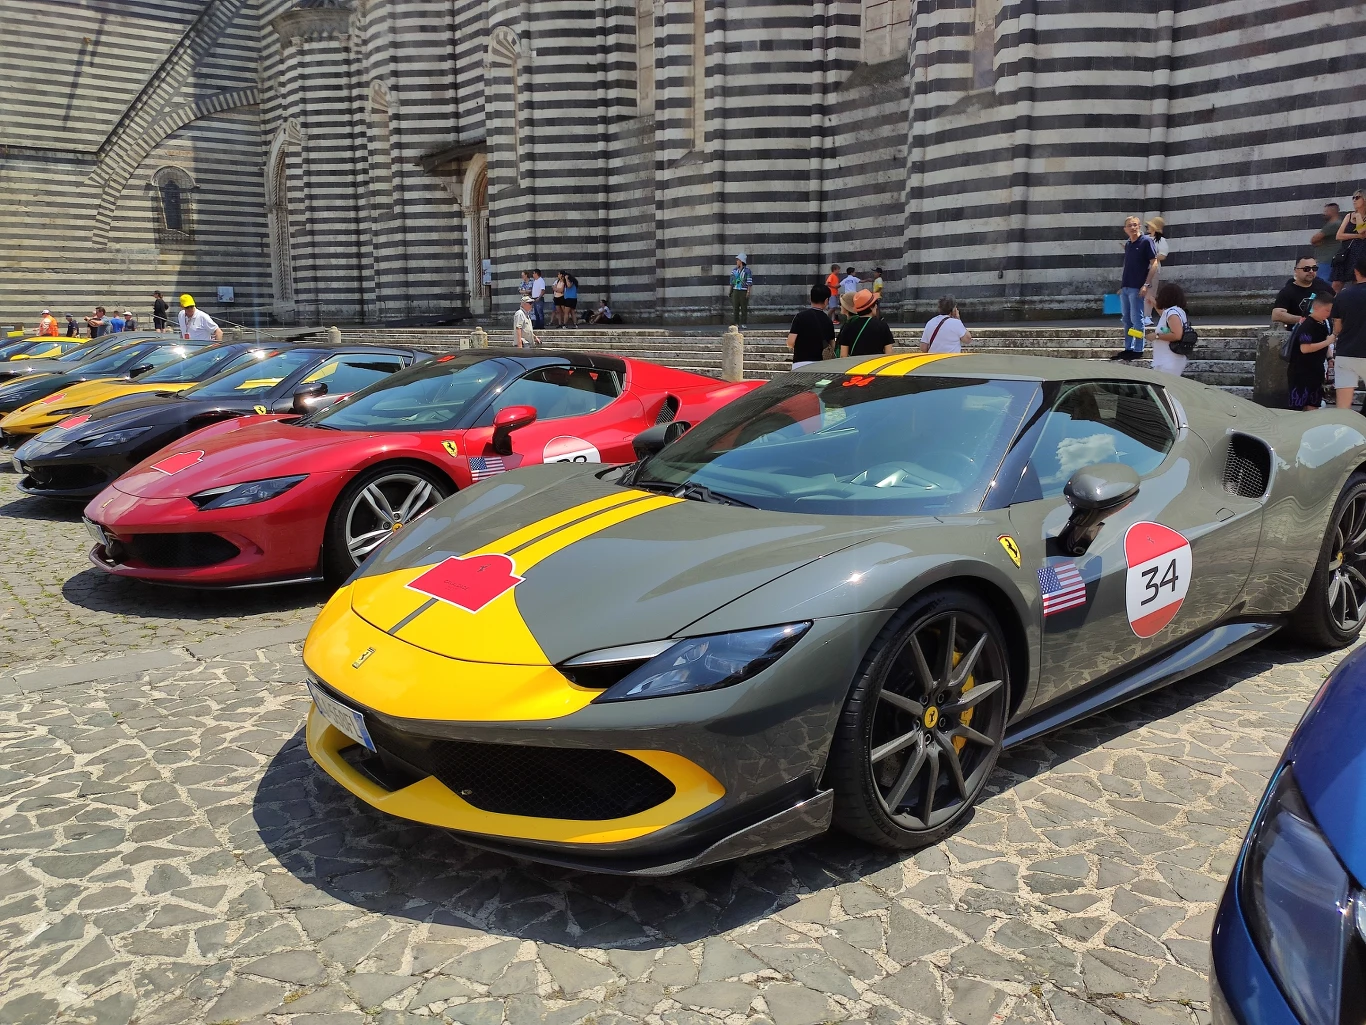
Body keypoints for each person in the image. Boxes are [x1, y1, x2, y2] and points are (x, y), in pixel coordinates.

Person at [1111, 216, 1159, 360]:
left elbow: (1154, 263)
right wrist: (1122, 286)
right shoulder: (1129, 244)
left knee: (1137, 318)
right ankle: (1128, 347)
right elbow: (1129, 266)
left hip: (1137, 287)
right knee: (1126, 319)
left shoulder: (1146, 241)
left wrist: (1146, 284)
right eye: (1129, 226)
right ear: (1125, 229)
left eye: (1135, 225)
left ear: (1139, 226)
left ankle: (1139, 349)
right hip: (1126, 287)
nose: (1132, 228)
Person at [1286, 293, 1337, 410]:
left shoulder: (1323, 323)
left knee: (1313, 403)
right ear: (1316, 308)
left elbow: (1324, 342)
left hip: (1316, 370)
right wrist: (1328, 342)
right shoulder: (1307, 325)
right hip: (1301, 372)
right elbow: (1305, 348)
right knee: (1297, 406)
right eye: (1327, 310)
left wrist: (1329, 358)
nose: (1329, 314)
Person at [1331, 254, 1366, 410]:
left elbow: (1337, 328)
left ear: (1356, 272)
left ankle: (1341, 432)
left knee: (1343, 409)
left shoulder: (1343, 295)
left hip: (1346, 352)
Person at [1271, 254, 1334, 330]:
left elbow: (1336, 300)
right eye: (1306, 269)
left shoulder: (1322, 285)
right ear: (1296, 270)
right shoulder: (1287, 291)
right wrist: (1303, 319)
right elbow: (1276, 315)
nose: (1311, 271)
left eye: (1314, 268)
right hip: (1301, 333)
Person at [786, 283, 836, 370]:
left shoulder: (800, 317)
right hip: (820, 365)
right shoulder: (828, 321)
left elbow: (790, 342)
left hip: (800, 364)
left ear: (811, 298)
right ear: (826, 301)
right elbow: (832, 345)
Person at [1148, 282, 1191, 377]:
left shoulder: (1172, 313)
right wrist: (1153, 301)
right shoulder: (1176, 311)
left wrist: (1156, 336)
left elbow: (1177, 335)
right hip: (1168, 360)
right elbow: (1164, 315)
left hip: (1169, 361)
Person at [838, 290, 894, 358]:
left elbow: (843, 355)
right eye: (875, 304)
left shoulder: (848, 326)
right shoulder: (882, 325)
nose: (876, 307)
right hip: (875, 365)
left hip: (855, 366)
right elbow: (889, 353)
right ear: (871, 307)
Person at [1332, 190, 1366, 293]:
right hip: (1346, 254)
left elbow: (1362, 230)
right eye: (1353, 198)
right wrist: (1357, 236)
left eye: (1357, 197)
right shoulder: (1349, 216)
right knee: (1336, 285)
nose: (1354, 200)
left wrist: (1359, 216)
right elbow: (1339, 235)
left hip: (1361, 254)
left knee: (1357, 283)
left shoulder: (1358, 216)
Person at [1141, 218, 1170, 326]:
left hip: (1153, 269)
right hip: (1142, 269)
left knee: (1149, 295)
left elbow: (1163, 255)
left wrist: (1150, 256)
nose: (1148, 227)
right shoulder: (1145, 238)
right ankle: (1147, 316)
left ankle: (1151, 316)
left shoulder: (1161, 241)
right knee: (1145, 294)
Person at [1312, 203, 1343, 273]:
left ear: (1332, 212)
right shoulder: (1339, 223)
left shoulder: (1333, 224)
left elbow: (1314, 239)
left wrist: (1319, 242)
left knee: (1323, 282)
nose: (1324, 214)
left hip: (1326, 260)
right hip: (1330, 260)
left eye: (1326, 211)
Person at [729, 253, 752, 329]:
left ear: (741, 261)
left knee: (743, 307)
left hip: (743, 290)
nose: (737, 261)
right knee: (735, 307)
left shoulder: (747, 271)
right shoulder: (734, 271)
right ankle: (736, 323)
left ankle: (743, 323)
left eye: (738, 260)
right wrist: (730, 291)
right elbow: (732, 282)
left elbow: (749, 281)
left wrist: (748, 291)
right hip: (736, 290)